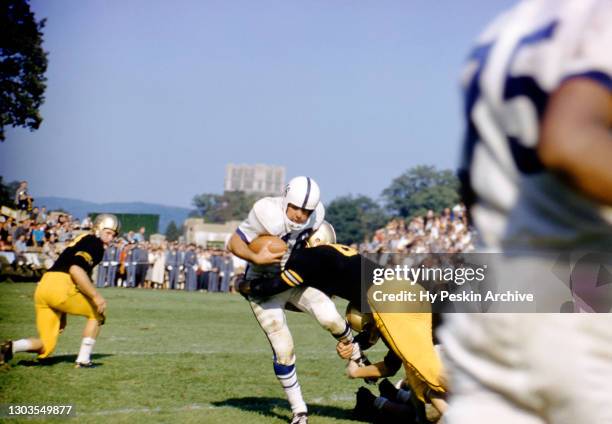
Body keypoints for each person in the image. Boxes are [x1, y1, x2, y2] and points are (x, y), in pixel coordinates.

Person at [440, 1, 612, 422]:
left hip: (497, 304)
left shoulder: (505, 28)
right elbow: (571, 142)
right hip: (586, 303)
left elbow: (472, 191)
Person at [241, 222, 447, 423]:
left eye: (368, 329)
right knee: (416, 372)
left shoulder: (309, 256)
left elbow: (280, 285)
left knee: (428, 373)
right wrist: (355, 354)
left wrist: (249, 286)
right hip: (410, 290)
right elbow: (390, 365)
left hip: (388, 297)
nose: (371, 335)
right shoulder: (340, 260)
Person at [227, 176, 357, 424]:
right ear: (286, 200)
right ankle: (299, 410)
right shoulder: (266, 211)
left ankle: (356, 352)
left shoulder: (317, 216)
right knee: (283, 348)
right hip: (262, 282)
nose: (299, 215)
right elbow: (234, 242)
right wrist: (255, 259)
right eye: (295, 207)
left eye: (305, 210)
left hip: (294, 278)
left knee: (329, 314)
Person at [0, 214, 120, 368]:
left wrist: (62, 311)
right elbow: (76, 269)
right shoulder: (94, 243)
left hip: (44, 287)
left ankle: (11, 347)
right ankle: (83, 360)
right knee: (97, 314)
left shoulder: (82, 239)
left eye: (114, 234)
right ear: (98, 228)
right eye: (108, 232)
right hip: (60, 285)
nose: (110, 238)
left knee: (46, 345)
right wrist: (96, 296)